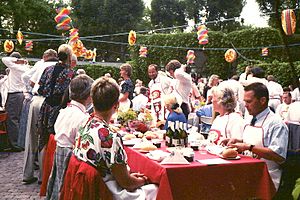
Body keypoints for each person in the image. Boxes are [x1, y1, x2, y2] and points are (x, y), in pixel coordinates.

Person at [73, 76, 158, 199]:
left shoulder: (85, 123)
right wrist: (144, 180)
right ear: (116, 105)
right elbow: (127, 183)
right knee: (156, 189)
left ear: (92, 100)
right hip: (103, 190)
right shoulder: (110, 137)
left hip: (85, 185)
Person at [221, 82, 288, 190]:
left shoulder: (276, 123)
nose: (246, 105)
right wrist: (237, 141)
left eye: (249, 102)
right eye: (245, 102)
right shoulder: (249, 119)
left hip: (267, 178)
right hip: (247, 172)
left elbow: (279, 155)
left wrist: (249, 147)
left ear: (262, 100)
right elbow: (253, 140)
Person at [46, 74, 93, 200]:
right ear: (89, 96)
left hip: (61, 152)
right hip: (71, 158)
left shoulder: (65, 111)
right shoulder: (82, 117)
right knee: (65, 188)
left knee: (58, 185)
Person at [37, 44, 76, 171]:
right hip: (59, 110)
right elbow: (70, 95)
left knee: (43, 139)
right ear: (69, 56)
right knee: (56, 141)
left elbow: (40, 89)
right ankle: (51, 173)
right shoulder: (70, 73)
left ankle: (42, 176)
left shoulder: (48, 69)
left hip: (46, 107)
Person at [22, 49, 58, 185]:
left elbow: (26, 78)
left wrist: (31, 90)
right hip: (50, 103)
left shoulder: (39, 64)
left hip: (36, 100)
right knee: (46, 139)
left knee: (31, 138)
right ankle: (43, 176)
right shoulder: (59, 66)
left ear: (44, 57)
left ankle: (27, 174)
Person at [2, 52, 30, 152]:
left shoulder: (16, 67)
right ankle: (20, 142)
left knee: (12, 120)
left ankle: (15, 144)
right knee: (19, 120)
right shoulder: (25, 68)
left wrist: (16, 60)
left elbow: (4, 59)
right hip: (21, 94)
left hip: (14, 95)